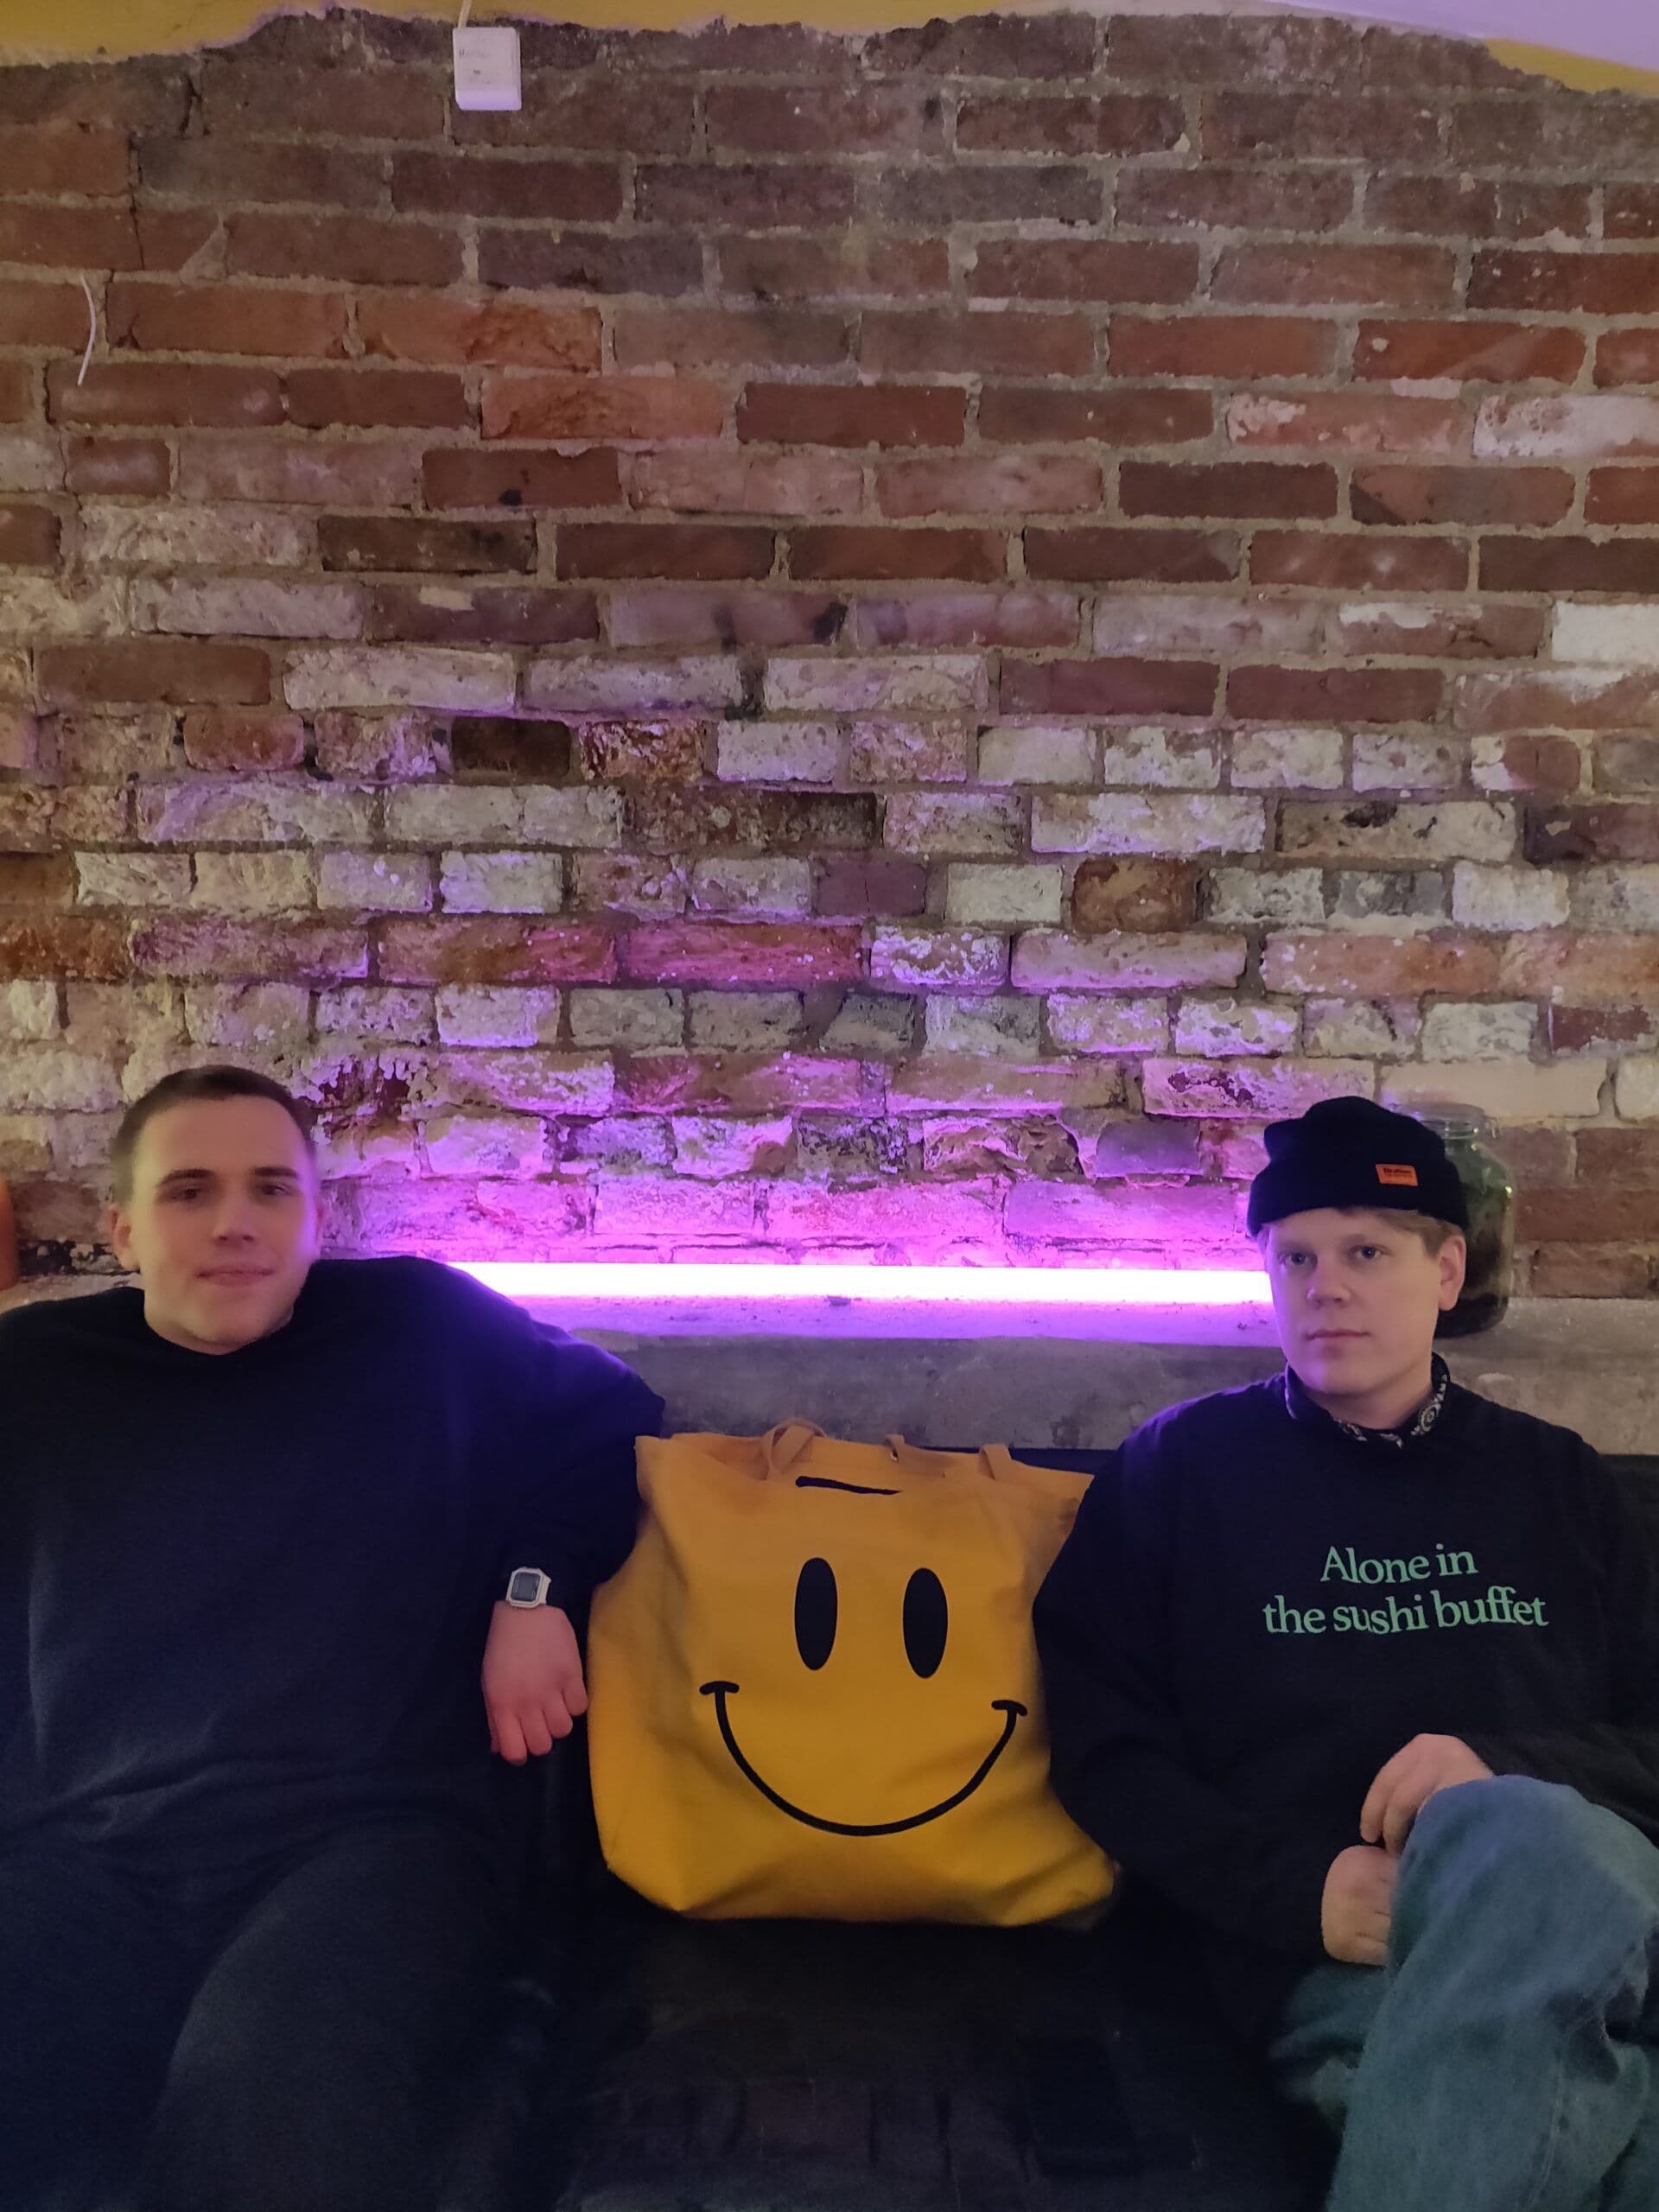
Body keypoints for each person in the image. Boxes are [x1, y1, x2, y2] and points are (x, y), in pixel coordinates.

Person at [0, 1065, 664, 2212]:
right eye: (189, 1192)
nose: (235, 1223)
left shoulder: (416, 1326)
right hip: (90, 1850)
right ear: (121, 1228)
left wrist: (534, 1592)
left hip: (372, 1841)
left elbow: (612, 1416)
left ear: (318, 1221)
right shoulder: (34, 1376)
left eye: (272, 1190)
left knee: (265, 2142)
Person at [1033, 1096, 1659, 2212]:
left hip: (1589, 1914)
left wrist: (1508, 1772)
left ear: (1447, 1271)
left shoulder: (1558, 1482)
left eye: (1366, 1252)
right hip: (1334, 1959)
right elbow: (1104, 1752)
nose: (1325, 1287)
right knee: (1599, 2125)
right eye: (1296, 1258)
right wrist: (1299, 1889)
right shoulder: (1178, 1472)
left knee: (1516, 1827)